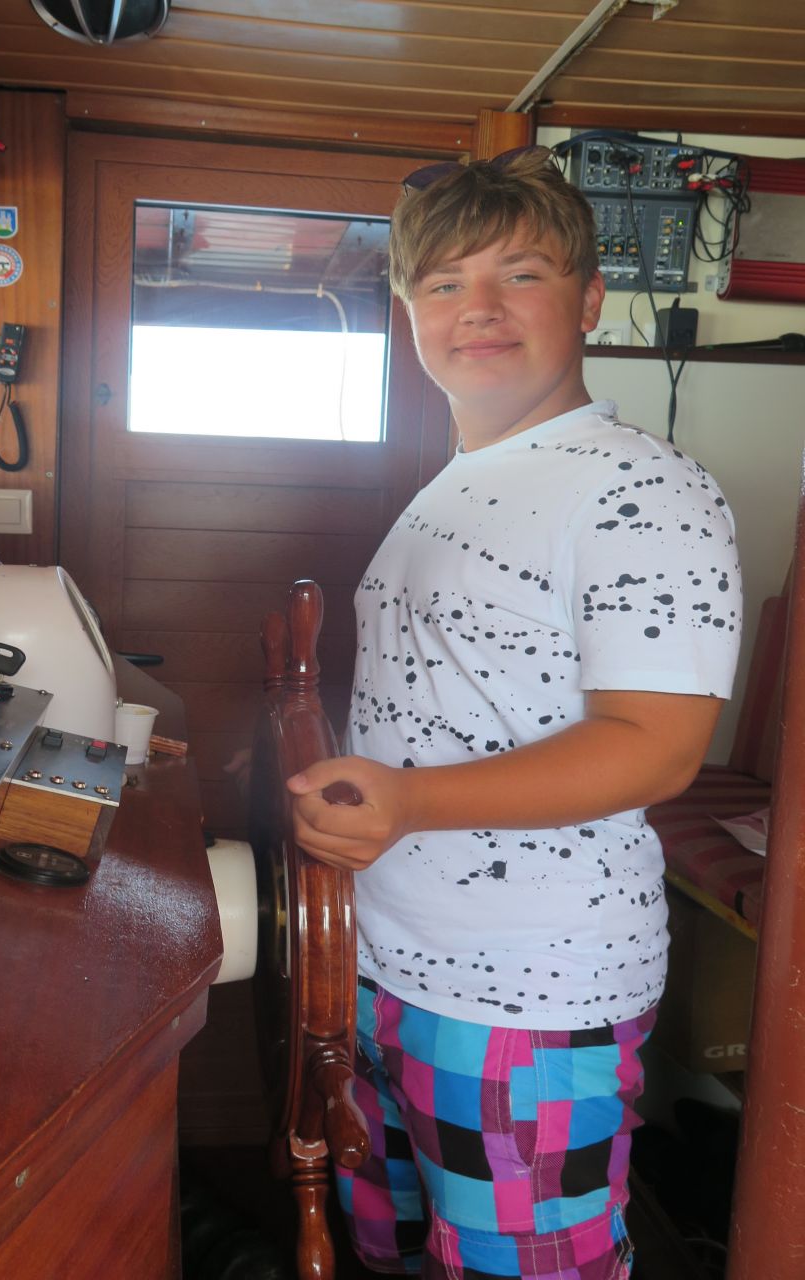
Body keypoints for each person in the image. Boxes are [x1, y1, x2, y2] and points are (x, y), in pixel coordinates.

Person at [286, 147, 742, 1280]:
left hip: (528, 999)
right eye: (444, 283)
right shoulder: (463, 477)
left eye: (520, 275)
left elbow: (658, 747)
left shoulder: (641, 488)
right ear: (411, 313)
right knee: (393, 1252)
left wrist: (408, 802)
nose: (478, 309)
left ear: (589, 300)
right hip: (389, 962)